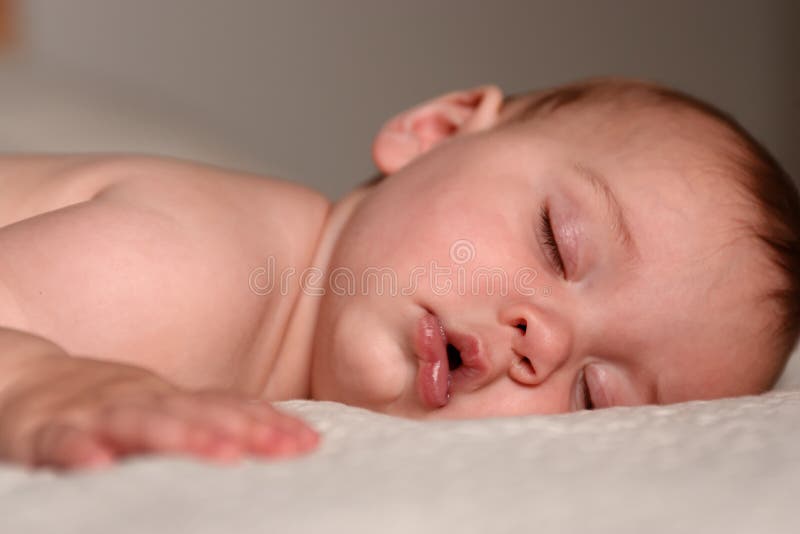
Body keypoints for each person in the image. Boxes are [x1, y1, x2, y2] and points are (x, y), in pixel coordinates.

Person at [0, 77, 797, 470]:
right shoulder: (205, 267)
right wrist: (39, 385)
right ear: (436, 130)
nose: (541, 341)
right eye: (558, 242)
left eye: (595, 396)